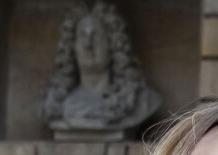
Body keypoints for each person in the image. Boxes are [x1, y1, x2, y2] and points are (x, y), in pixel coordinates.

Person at [44, 1, 160, 131]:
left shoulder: (142, 101)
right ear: (72, 46)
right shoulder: (53, 103)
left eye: (96, 36)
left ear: (112, 44)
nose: (88, 45)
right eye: (82, 36)